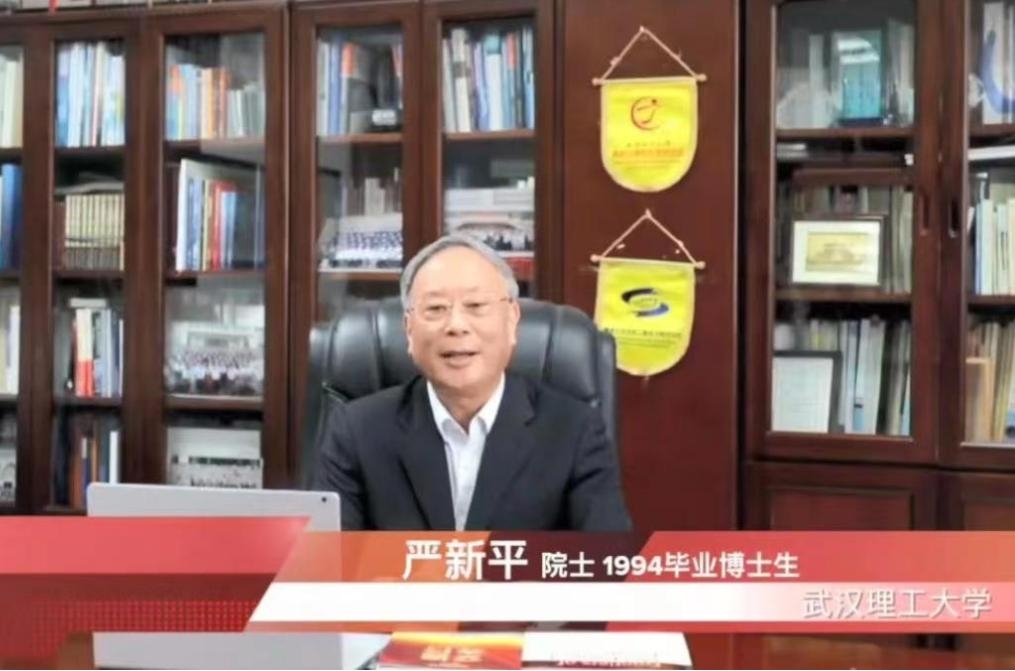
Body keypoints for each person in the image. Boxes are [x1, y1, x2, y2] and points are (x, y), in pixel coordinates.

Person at [312, 233, 632, 531]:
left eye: (476, 306)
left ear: (511, 320)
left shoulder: (574, 431)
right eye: (436, 309)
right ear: (409, 330)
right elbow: (326, 562)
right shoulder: (357, 430)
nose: (456, 325)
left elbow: (607, 561)